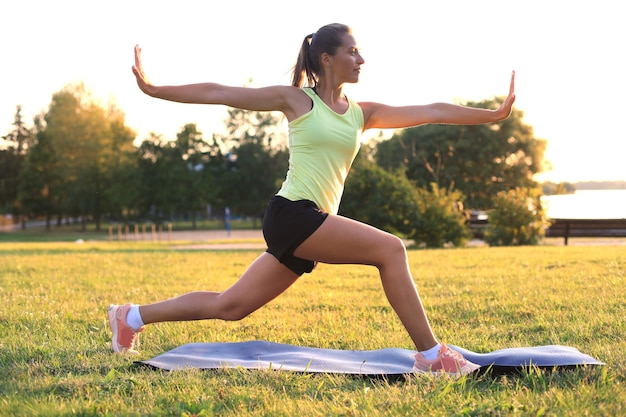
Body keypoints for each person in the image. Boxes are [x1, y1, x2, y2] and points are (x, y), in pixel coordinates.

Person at [109, 23, 515, 376]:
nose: (361, 59)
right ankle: (431, 356)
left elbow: (430, 110)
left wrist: (492, 114)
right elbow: (222, 92)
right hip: (293, 214)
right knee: (391, 249)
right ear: (326, 58)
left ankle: (130, 316)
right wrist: (155, 89)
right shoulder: (298, 101)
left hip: (309, 222)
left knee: (231, 305)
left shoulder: (361, 113)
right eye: (352, 51)